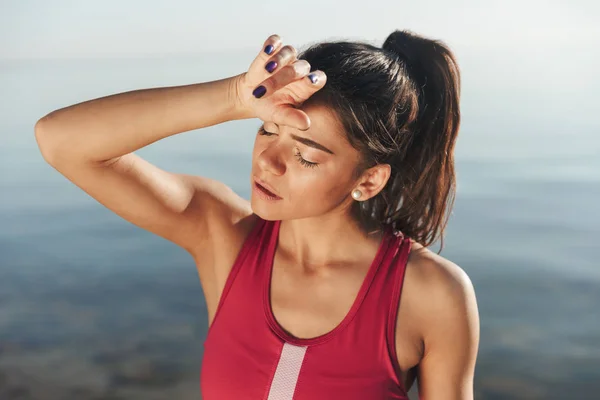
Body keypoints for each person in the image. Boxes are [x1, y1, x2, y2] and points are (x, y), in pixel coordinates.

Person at [35, 30, 479, 400]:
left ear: (368, 181)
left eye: (305, 155)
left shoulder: (431, 295)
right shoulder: (222, 235)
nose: (269, 162)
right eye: (266, 129)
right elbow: (59, 141)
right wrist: (234, 97)